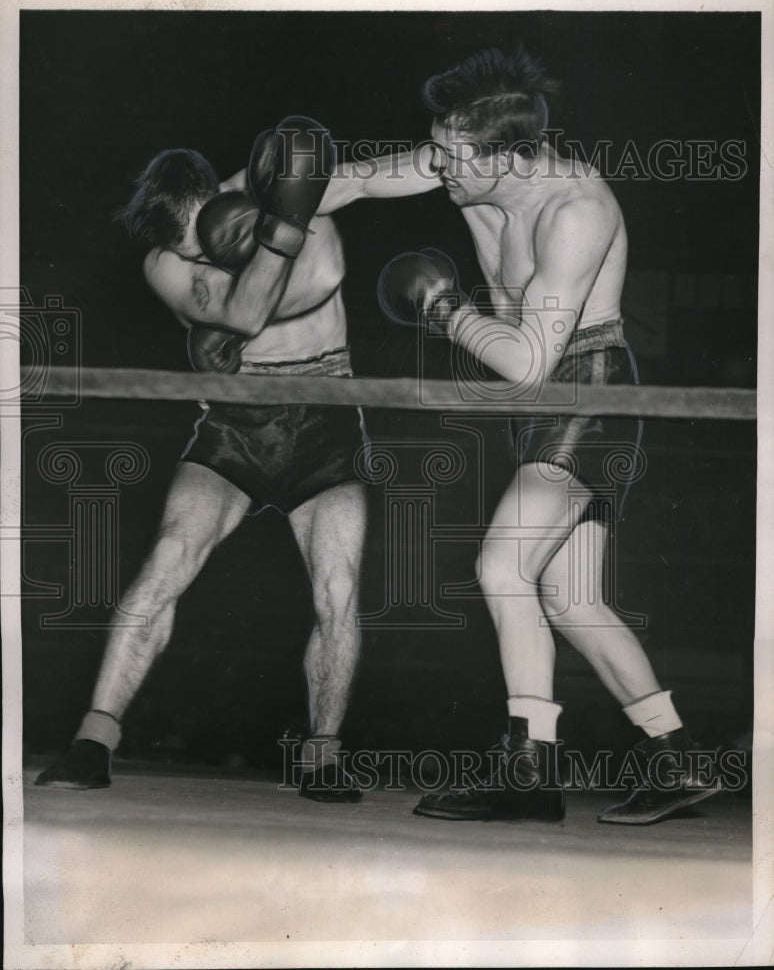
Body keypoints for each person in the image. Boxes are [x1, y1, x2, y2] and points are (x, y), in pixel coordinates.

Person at [323, 46, 722, 825]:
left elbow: (529, 360)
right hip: (542, 401)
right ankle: (674, 757)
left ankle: (529, 767)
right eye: (434, 150)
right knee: (572, 600)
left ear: (511, 155)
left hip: (587, 391)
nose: (438, 170)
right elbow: (361, 177)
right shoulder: (463, 157)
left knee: (502, 567)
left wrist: (446, 311)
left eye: (452, 159)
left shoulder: (576, 210)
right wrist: (255, 204)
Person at [35, 117, 366, 802]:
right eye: (188, 253)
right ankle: (93, 741)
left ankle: (323, 755)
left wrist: (285, 215)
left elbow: (326, 273)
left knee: (337, 587)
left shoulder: (282, 192)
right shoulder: (165, 261)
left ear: (219, 195)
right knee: (169, 556)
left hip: (327, 415)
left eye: (201, 240)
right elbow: (243, 318)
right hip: (234, 424)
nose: (199, 260)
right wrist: (278, 237)